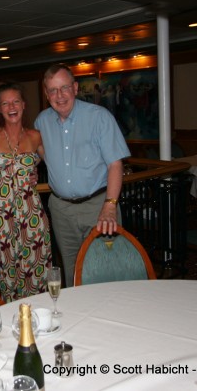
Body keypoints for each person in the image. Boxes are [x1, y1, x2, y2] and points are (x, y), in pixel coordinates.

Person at [34, 63, 130, 287]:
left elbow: (115, 165)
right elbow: (32, 158)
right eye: (53, 90)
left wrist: (110, 205)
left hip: (98, 206)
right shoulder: (41, 122)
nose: (60, 95)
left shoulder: (99, 117)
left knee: (106, 269)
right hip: (61, 210)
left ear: (75, 88)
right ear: (47, 95)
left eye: (64, 88)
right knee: (71, 271)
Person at [0, 82, 52, 302]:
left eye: (15, 101)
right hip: (2, 219)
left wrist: (45, 180)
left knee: (36, 274)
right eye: (5, 103)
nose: (11, 106)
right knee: (7, 273)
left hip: (32, 216)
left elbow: (59, 166)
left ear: (23, 105)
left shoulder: (35, 136)